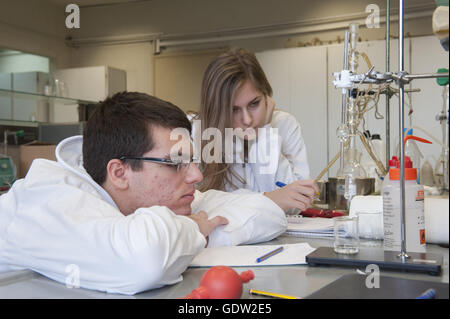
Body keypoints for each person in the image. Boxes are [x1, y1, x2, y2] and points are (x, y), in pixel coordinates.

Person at [0, 92, 287, 295]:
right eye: (175, 162)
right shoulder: (45, 202)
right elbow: (143, 262)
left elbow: (268, 214)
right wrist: (195, 229)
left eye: (192, 160)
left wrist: (204, 231)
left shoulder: (153, 195)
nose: (197, 176)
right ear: (120, 173)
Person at [194, 47, 318, 212]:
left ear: (267, 97)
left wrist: (265, 134)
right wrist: (268, 199)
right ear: (217, 109)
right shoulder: (197, 132)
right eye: (233, 110)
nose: (247, 120)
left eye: (254, 104)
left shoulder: (285, 125)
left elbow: (296, 205)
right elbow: (195, 205)